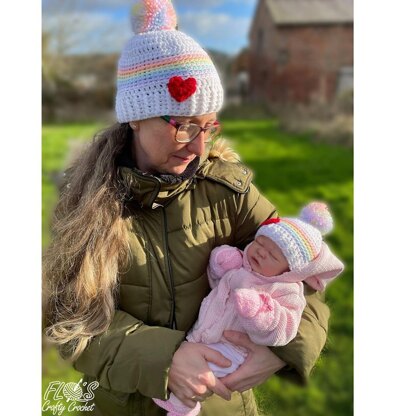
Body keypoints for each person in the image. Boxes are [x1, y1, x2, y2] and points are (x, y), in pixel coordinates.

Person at [43, 1, 336, 415]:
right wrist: (166, 358)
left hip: (222, 405)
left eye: (208, 126)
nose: (199, 146)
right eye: (183, 125)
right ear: (136, 118)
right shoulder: (85, 204)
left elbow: (302, 271)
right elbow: (67, 319)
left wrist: (282, 351)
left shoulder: (228, 192)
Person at [153, 202, 344, 416]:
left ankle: (184, 407)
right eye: (260, 243)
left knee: (203, 376)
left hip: (233, 350)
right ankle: (179, 402)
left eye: (273, 255)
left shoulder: (285, 290)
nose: (261, 253)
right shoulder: (245, 267)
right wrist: (221, 265)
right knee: (196, 370)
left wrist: (259, 311)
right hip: (204, 334)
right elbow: (218, 285)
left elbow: (285, 326)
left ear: (289, 270)